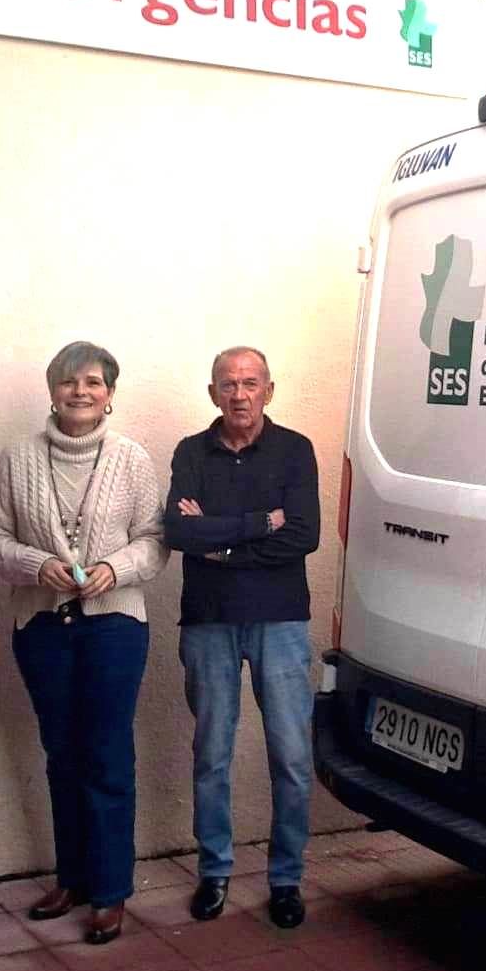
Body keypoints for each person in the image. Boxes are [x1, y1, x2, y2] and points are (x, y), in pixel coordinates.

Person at [0, 341, 170, 945]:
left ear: (111, 393)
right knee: (61, 752)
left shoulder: (132, 459)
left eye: (93, 382)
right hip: (42, 627)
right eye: (68, 381)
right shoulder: (17, 459)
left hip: (114, 626)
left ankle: (110, 890)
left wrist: (115, 569)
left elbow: (155, 539)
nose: (80, 392)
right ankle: (73, 877)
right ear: (51, 389)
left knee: (107, 754)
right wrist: (37, 565)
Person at [164, 346, 321, 929]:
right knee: (212, 754)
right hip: (208, 620)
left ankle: (286, 879)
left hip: (280, 620)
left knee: (291, 756)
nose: (239, 394)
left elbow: (304, 535)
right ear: (212, 393)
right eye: (228, 384)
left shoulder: (295, 450)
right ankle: (215, 871)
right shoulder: (189, 451)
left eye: (250, 383)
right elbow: (178, 529)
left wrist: (218, 543)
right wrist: (257, 525)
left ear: (268, 391)